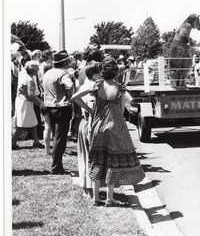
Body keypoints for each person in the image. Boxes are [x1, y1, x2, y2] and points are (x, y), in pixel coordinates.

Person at [72, 57, 145, 207]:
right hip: (115, 127)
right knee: (112, 162)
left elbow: (75, 97)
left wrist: (90, 110)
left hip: (98, 126)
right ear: (116, 72)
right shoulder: (120, 87)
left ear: (102, 72)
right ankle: (109, 198)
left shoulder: (97, 85)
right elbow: (122, 107)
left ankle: (96, 197)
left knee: (98, 160)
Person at [43, 50, 75, 175]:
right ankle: (56, 167)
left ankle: (57, 164)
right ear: (65, 62)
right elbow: (70, 88)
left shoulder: (47, 73)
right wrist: (69, 96)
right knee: (60, 138)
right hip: (62, 107)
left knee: (56, 137)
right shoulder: (64, 74)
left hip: (49, 106)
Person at [75, 61, 102, 199]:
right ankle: (90, 189)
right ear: (95, 74)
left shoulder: (85, 84)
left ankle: (86, 188)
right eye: (99, 73)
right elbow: (76, 99)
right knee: (91, 159)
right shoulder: (92, 86)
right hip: (89, 124)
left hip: (83, 123)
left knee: (84, 157)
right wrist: (90, 110)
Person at [12, 61, 45, 150]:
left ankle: (36, 141)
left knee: (33, 122)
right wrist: (41, 103)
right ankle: (13, 142)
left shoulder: (24, 76)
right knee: (21, 124)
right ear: (34, 70)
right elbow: (31, 95)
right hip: (25, 103)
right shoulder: (30, 80)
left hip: (22, 101)